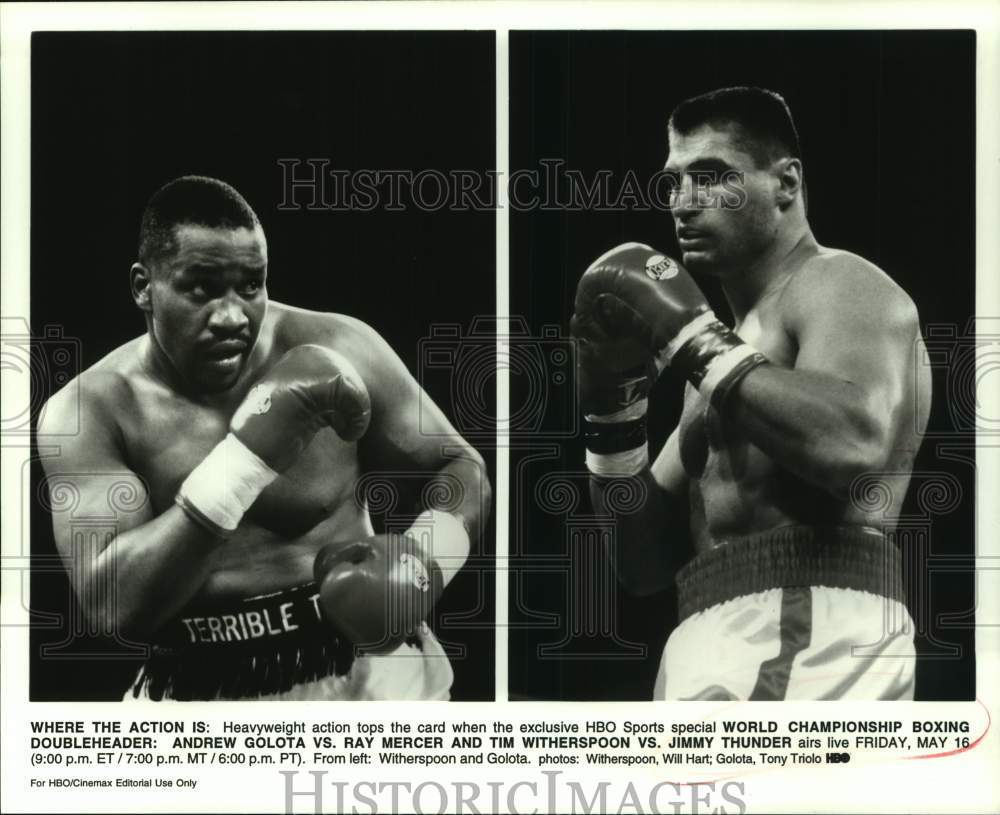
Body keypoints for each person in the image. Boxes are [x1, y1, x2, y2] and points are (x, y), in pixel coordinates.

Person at [37, 175, 490, 701]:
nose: (231, 316)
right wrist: (245, 460)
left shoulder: (338, 344)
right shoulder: (91, 410)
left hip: (368, 668)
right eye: (201, 288)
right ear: (144, 287)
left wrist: (422, 561)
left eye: (250, 285)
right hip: (200, 686)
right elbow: (113, 606)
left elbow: (461, 468)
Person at [572, 87, 930, 701]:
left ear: (785, 183)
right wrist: (613, 414)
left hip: (813, 620)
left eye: (712, 176)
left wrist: (689, 335)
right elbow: (640, 565)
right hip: (708, 625)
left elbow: (855, 444)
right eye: (673, 183)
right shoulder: (724, 359)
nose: (684, 203)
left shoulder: (840, 283)